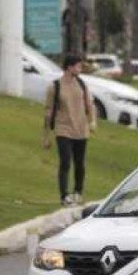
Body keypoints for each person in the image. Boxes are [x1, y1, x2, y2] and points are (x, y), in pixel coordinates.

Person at [42, 53, 97, 206]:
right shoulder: (55, 86)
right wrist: (46, 136)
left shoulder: (82, 84)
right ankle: (64, 196)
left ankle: (78, 192)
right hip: (63, 129)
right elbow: (48, 112)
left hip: (81, 129)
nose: (80, 69)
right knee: (65, 162)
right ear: (69, 67)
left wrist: (92, 121)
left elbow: (90, 105)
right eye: (78, 66)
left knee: (80, 163)